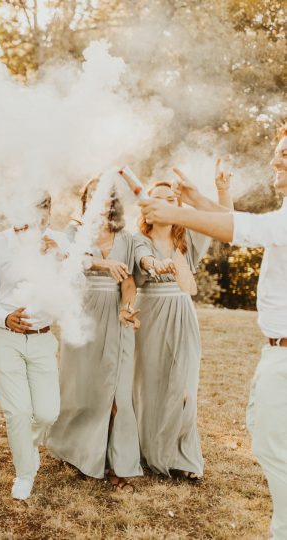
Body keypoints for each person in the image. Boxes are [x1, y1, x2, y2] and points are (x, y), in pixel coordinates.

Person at [140, 135, 286, 538]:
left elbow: (245, 228)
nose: (276, 158)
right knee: (266, 437)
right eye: (278, 150)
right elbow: (240, 226)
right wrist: (197, 197)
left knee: (274, 446)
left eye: (286, 153)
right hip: (276, 350)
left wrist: (179, 210)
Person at [132, 174, 231, 481]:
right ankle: (151, 451)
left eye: (171, 198)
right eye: (159, 197)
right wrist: (153, 264)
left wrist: (222, 190)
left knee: (184, 386)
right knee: (150, 384)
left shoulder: (188, 238)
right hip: (149, 314)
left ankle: (185, 457)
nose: (167, 202)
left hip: (182, 313)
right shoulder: (138, 239)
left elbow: (223, 221)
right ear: (148, 207)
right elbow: (141, 260)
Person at [45, 179, 142, 492]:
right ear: (85, 200)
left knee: (116, 392)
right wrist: (102, 263)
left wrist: (128, 308)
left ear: (112, 201)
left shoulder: (127, 237)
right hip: (82, 315)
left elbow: (129, 282)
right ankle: (78, 449)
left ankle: (119, 465)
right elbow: (68, 262)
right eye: (90, 195)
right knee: (81, 387)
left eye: (103, 195)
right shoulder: (75, 233)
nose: (97, 200)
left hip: (116, 315)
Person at [0, 193, 69, 501]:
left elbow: (74, 289)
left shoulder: (59, 243)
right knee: (17, 411)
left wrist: (60, 259)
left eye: (44, 207)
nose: (39, 215)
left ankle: (27, 444)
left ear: (48, 211)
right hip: (2, 336)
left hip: (43, 337)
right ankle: (25, 473)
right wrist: (5, 317)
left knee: (47, 413)